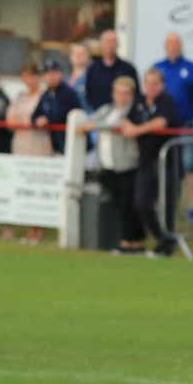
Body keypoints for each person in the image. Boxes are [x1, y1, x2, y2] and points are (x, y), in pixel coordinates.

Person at [81, 76, 143, 254]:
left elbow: (113, 125)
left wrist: (99, 126)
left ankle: (130, 241)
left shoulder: (133, 111)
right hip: (107, 164)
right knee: (118, 203)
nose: (122, 97)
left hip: (126, 164)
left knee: (128, 204)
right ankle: (129, 240)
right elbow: (91, 121)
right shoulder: (108, 109)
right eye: (118, 92)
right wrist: (98, 125)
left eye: (126, 93)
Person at [122, 68, 180, 258]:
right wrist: (129, 126)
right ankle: (161, 237)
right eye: (148, 83)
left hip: (166, 161)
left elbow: (161, 122)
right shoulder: (139, 101)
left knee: (166, 204)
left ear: (161, 85)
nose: (151, 87)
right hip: (145, 161)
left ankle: (166, 246)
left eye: (155, 83)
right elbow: (126, 120)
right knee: (141, 203)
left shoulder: (166, 101)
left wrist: (137, 130)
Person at [154, 33, 193, 223]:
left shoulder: (191, 68)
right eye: (169, 43)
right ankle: (165, 205)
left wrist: (190, 116)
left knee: (190, 165)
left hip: (185, 125)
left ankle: (192, 206)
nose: (173, 46)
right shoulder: (158, 68)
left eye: (176, 43)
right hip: (163, 127)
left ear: (181, 45)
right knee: (164, 165)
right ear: (165, 46)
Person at [8, 62, 53, 244]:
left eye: (31, 75)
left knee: (39, 186)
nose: (27, 80)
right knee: (24, 186)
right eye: (24, 76)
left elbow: (39, 119)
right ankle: (29, 230)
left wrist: (26, 121)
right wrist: (25, 121)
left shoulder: (45, 95)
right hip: (21, 145)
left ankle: (39, 230)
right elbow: (10, 119)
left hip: (39, 145)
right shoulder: (20, 96)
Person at [32, 59, 81, 155]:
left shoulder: (69, 93)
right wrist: (38, 119)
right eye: (48, 73)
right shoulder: (45, 95)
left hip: (70, 145)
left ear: (60, 74)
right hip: (55, 145)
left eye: (54, 73)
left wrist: (47, 119)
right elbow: (35, 114)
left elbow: (61, 115)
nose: (51, 77)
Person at [85, 30, 138, 112]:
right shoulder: (93, 69)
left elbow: (136, 93)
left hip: (122, 114)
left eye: (113, 41)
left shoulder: (127, 69)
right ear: (101, 44)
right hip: (98, 115)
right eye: (107, 41)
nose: (110, 45)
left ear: (118, 44)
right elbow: (88, 93)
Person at [68, 42, 91, 112]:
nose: (78, 56)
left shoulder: (91, 78)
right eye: (76, 54)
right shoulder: (65, 80)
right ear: (71, 57)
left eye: (82, 54)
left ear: (87, 57)